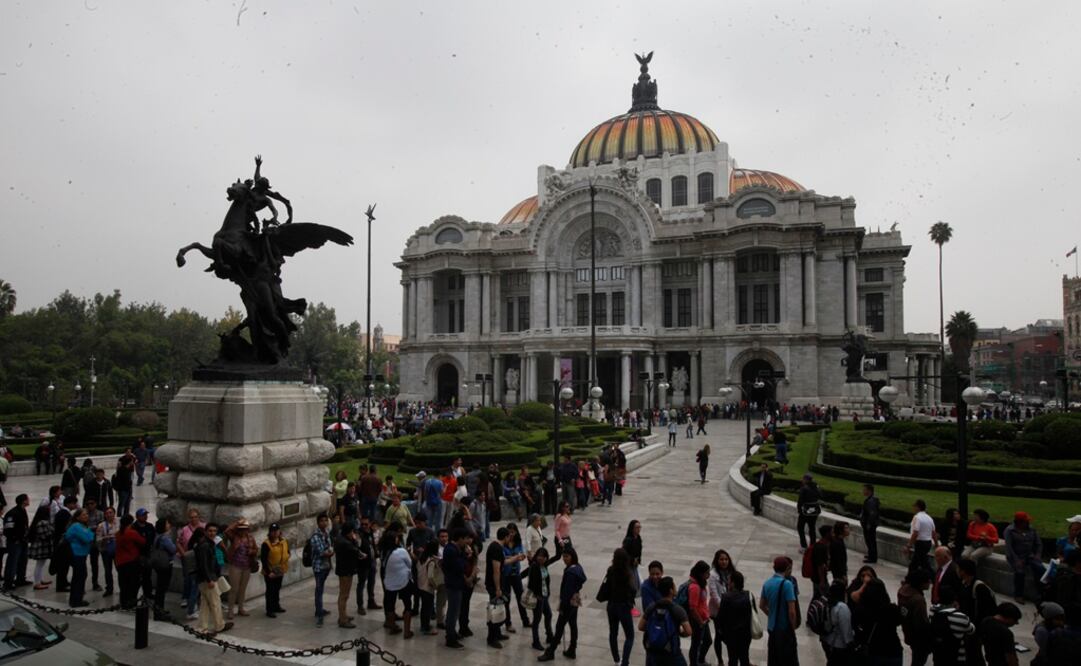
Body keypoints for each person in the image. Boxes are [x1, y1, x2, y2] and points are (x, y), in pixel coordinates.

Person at [538, 546, 586, 661]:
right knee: (573, 624)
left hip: (568, 602)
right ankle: (572, 649)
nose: (564, 559)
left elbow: (566, 592)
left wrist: (563, 606)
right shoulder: (578, 567)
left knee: (559, 627)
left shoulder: (570, 572)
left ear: (572, 556)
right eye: (563, 556)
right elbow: (582, 580)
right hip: (576, 598)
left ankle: (551, 652)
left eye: (567, 556)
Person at [640, 575, 693, 666]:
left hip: (653, 651)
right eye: (674, 586)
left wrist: (655, 631)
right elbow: (688, 631)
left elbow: (641, 626)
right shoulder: (678, 610)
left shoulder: (652, 607)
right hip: (671, 652)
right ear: (671, 591)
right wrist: (677, 631)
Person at [855, 577, 904, 665]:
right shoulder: (891, 609)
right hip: (893, 650)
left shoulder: (862, 609)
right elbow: (900, 620)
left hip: (874, 651)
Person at [194, 522, 232, 635]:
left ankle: (202, 628)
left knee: (205, 604)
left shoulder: (208, 543)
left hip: (206, 578)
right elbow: (203, 565)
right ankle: (219, 625)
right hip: (208, 579)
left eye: (214, 531)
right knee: (215, 602)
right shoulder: (205, 545)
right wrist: (209, 579)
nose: (212, 533)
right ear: (206, 532)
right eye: (210, 531)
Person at [760, 556, 799, 666]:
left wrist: (771, 614)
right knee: (788, 659)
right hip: (784, 628)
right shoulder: (787, 584)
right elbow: (792, 611)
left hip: (772, 627)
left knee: (773, 658)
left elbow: (762, 605)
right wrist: (793, 626)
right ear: (787, 568)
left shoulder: (767, 583)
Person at [602, 547, 638, 666]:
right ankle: (625, 662)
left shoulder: (610, 570)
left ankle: (616, 660)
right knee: (630, 636)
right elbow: (634, 589)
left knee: (613, 633)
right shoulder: (628, 572)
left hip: (611, 605)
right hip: (623, 606)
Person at [1003, 511, 1044, 602]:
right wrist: (1016, 560)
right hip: (1015, 556)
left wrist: (1038, 555)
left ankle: (1041, 593)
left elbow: (1039, 544)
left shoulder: (1032, 530)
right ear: (1019, 522)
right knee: (1020, 572)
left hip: (1029, 555)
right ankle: (1018, 595)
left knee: (1040, 568)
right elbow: (1009, 548)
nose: (1027, 523)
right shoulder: (1009, 530)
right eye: (1025, 521)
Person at [930, 585, 975, 666]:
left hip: (938, 655)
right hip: (956, 657)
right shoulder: (961, 617)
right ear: (954, 600)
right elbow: (971, 630)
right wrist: (957, 609)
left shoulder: (933, 610)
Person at [896, 569, 932, 666]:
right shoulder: (918, 600)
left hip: (908, 632)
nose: (930, 583)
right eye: (928, 581)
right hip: (919, 639)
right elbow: (921, 623)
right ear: (921, 583)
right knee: (919, 661)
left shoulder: (903, 591)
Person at [383, 526, 414, 637]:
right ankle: (407, 631)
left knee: (390, 606)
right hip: (403, 581)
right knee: (407, 605)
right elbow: (410, 564)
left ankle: (392, 627)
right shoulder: (401, 551)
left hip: (389, 583)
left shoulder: (385, 552)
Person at [717, 570, 752, 666]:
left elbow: (721, 617)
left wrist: (721, 631)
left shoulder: (726, 597)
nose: (728, 583)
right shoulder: (748, 595)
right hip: (746, 634)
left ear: (733, 583)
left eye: (729, 580)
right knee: (744, 657)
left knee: (732, 659)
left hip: (731, 635)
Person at [485, 527, 512, 648]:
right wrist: (497, 588)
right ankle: (491, 638)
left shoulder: (497, 547)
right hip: (493, 584)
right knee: (495, 609)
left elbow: (502, 562)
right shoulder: (496, 549)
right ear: (506, 537)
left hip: (495, 583)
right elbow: (496, 570)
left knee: (499, 608)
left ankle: (497, 633)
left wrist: (515, 558)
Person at [442, 528, 469, 649]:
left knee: (454, 610)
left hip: (455, 583)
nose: (467, 542)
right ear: (460, 539)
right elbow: (460, 566)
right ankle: (450, 637)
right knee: (453, 611)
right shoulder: (451, 550)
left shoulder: (452, 548)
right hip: (453, 584)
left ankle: (452, 632)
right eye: (465, 539)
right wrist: (466, 555)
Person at [224, 519, 256, 619]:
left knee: (243, 589)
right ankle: (230, 610)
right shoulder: (234, 537)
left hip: (246, 566)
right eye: (241, 529)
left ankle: (241, 608)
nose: (243, 531)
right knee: (234, 589)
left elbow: (256, 549)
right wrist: (237, 523)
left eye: (245, 529)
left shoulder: (250, 538)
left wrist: (252, 551)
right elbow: (227, 531)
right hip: (235, 565)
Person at [502, 522, 531, 633]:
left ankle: (525, 620)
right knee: (507, 599)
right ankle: (508, 623)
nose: (511, 534)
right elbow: (503, 557)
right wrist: (515, 557)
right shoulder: (503, 543)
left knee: (521, 598)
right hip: (506, 575)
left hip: (516, 574)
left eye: (513, 532)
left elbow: (522, 554)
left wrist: (521, 556)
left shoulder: (518, 542)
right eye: (509, 532)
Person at [176, 508, 204, 619]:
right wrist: (185, 555)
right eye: (192, 517)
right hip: (189, 558)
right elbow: (178, 542)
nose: (194, 519)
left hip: (199, 559)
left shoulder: (204, 527)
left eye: (196, 516)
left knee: (195, 584)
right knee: (188, 579)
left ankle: (194, 601)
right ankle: (186, 599)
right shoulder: (184, 529)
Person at [115, 514, 145, 610]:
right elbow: (143, 541)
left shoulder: (118, 533)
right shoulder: (131, 533)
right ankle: (131, 603)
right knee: (133, 583)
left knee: (123, 584)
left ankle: (123, 602)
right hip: (131, 561)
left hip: (120, 562)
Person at [686, 560, 713, 666]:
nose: (709, 575)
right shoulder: (695, 587)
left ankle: (700, 661)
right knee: (695, 644)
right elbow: (692, 608)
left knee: (707, 641)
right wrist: (700, 622)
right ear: (701, 574)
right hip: (697, 621)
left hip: (703, 619)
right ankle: (694, 663)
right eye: (707, 573)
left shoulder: (700, 584)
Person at [821, 579, 855, 665]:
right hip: (839, 646)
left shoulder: (827, 603)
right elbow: (846, 631)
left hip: (828, 642)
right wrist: (851, 646)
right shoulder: (842, 607)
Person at [527, 546, 555, 650]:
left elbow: (546, 581)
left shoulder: (544, 566)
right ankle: (536, 641)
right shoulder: (534, 567)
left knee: (548, 614)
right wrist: (538, 595)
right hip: (538, 597)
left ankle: (549, 635)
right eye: (539, 556)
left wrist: (547, 593)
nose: (540, 558)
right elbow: (531, 584)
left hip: (544, 596)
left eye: (543, 557)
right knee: (537, 619)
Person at [978, 602, 1022, 666]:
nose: (1016, 623)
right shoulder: (1006, 633)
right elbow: (1010, 659)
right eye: (1015, 620)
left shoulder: (986, 621)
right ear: (1008, 617)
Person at [310, 513, 335, 626]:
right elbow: (321, 552)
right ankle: (319, 614)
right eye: (322, 521)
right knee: (319, 590)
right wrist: (329, 553)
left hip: (326, 566)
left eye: (326, 520)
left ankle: (319, 609)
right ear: (318, 522)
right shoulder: (315, 536)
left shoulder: (326, 533)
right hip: (319, 566)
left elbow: (329, 547)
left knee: (321, 588)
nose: (324, 523)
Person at [259, 523, 289, 618]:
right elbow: (263, 560)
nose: (275, 533)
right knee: (270, 590)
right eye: (273, 531)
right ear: (270, 532)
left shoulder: (283, 541)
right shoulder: (266, 544)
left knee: (277, 588)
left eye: (277, 530)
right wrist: (269, 572)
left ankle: (276, 606)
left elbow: (287, 552)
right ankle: (270, 609)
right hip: (270, 571)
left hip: (280, 569)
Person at [333, 522, 360, 628]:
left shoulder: (341, 539)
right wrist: (355, 540)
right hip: (345, 571)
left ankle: (343, 615)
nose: (353, 534)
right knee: (343, 595)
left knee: (345, 594)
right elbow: (355, 550)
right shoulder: (345, 542)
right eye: (352, 532)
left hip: (345, 569)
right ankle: (342, 619)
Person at [150, 517, 176, 620]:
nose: (169, 525)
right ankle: (159, 612)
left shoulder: (157, 536)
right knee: (162, 589)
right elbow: (173, 549)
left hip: (159, 564)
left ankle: (159, 609)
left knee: (160, 589)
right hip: (165, 564)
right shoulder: (165, 538)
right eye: (167, 523)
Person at [906, 499, 938, 576]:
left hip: (920, 543)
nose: (913, 508)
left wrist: (909, 545)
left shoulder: (917, 517)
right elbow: (933, 533)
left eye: (914, 506)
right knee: (917, 562)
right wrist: (936, 544)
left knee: (923, 564)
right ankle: (911, 578)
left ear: (918, 507)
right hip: (928, 543)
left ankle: (934, 578)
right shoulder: (929, 518)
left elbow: (915, 533)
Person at [355, 516, 378, 613]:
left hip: (372, 561)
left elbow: (372, 544)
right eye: (362, 524)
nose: (364, 526)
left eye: (366, 524)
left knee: (371, 582)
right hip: (363, 563)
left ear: (369, 524)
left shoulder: (370, 532)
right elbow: (358, 546)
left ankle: (371, 601)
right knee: (361, 584)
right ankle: (360, 606)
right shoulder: (358, 534)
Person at [27, 506, 53, 590]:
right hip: (41, 546)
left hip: (41, 546)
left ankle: (40, 580)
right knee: (39, 564)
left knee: (41, 564)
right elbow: (45, 535)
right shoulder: (42, 522)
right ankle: (37, 583)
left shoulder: (38, 522)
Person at [94, 506, 117, 599]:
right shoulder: (101, 525)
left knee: (119, 569)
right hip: (106, 550)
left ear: (114, 513)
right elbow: (97, 540)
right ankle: (109, 588)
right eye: (107, 513)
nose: (109, 515)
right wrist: (105, 538)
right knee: (108, 570)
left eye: (110, 512)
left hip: (117, 550)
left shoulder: (118, 522)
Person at [797, 474, 822, 551]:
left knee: (800, 527)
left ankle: (804, 546)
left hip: (805, 512)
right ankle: (812, 546)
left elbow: (800, 501)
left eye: (803, 479)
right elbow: (820, 495)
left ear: (806, 480)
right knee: (812, 529)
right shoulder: (816, 487)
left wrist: (799, 510)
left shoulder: (804, 488)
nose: (802, 480)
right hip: (814, 511)